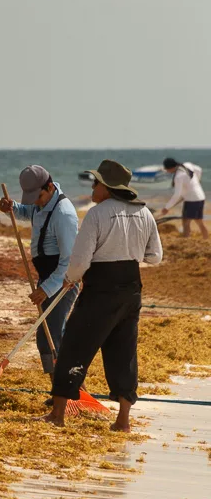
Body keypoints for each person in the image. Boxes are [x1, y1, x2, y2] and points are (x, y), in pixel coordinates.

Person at [44, 160, 162, 432]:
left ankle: (58, 415)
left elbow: (81, 259)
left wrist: (70, 279)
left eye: (96, 182)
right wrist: (130, 253)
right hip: (131, 288)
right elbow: (155, 257)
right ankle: (122, 420)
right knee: (123, 351)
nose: (93, 186)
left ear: (107, 187)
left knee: (75, 344)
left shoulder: (97, 214)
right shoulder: (144, 213)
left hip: (101, 288)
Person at [0, 165, 78, 378]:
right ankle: (64, 390)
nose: (36, 201)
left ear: (50, 186)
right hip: (47, 276)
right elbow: (28, 212)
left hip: (63, 281)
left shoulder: (64, 214)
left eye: (38, 196)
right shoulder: (41, 203)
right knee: (50, 335)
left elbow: (69, 262)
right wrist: (12, 208)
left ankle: (66, 391)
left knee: (50, 336)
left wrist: (47, 288)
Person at [160, 157, 207, 238]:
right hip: (198, 197)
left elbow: (177, 195)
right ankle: (197, 238)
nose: (167, 171)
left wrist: (167, 207)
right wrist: (196, 182)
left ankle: (187, 239)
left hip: (193, 200)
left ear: (171, 168)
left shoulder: (178, 176)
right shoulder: (186, 165)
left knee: (190, 222)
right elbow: (199, 169)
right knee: (188, 220)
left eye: (167, 169)